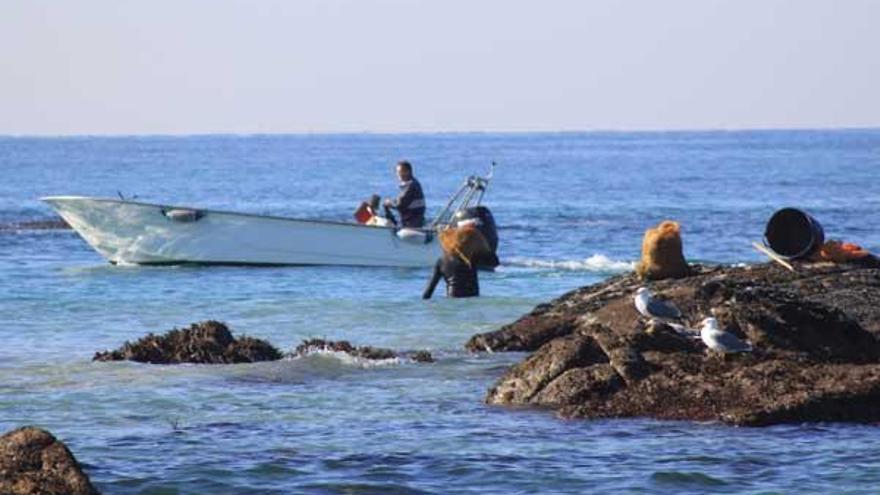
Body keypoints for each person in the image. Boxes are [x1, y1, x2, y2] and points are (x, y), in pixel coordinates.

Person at [423, 225, 497, 299]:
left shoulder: (441, 261)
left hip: (452, 299)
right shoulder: (470, 258)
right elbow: (494, 262)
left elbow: (428, 291)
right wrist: (484, 246)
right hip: (472, 299)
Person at [383, 160, 426, 228]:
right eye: (397, 172)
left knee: (385, 204)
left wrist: (389, 203)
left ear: (408, 171)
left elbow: (400, 204)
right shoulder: (414, 183)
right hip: (414, 221)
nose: (399, 174)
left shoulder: (411, 186)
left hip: (411, 223)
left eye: (401, 172)